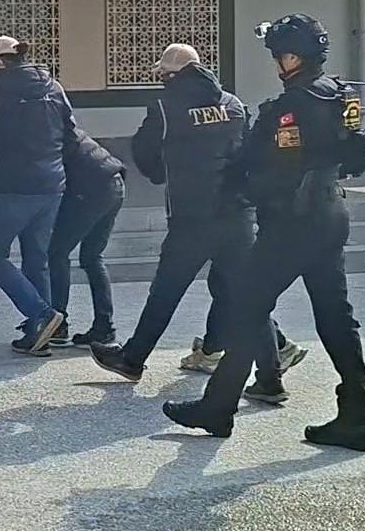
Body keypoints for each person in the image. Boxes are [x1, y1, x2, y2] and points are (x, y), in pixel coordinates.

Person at [164, 15, 365, 452]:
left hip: (290, 224)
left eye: (279, 55)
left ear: (293, 57)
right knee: (336, 318)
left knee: (245, 309)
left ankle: (217, 408)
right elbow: (356, 156)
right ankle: (357, 416)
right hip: (330, 214)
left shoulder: (287, 109)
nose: (277, 63)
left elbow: (267, 172)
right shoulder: (341, 94)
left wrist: (238, 184)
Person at [92, 43, 307, 396]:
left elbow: (144, 152)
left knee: (166, 291)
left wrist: (163, 173)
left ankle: (132, 359)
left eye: (163, 75)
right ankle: (270, 379)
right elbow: (249, 149)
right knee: (246, 295)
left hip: (192, 217)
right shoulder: (233, 104)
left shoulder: (165, 107)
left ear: (172, 75)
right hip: (237, 214)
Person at [0, 35, 73, 356]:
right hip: (52, 183)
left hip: (12, 185)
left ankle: (41, 314)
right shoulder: (53, 86)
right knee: (36, 257)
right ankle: (38, 332)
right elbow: (70, 130)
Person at [45, 128, 126, 347]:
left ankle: (57, 325)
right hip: (114, 181)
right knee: (92, 257)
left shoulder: (45, 134)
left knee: (57, 253)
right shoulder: (64, 125)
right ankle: (104, 328)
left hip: (91, 189)